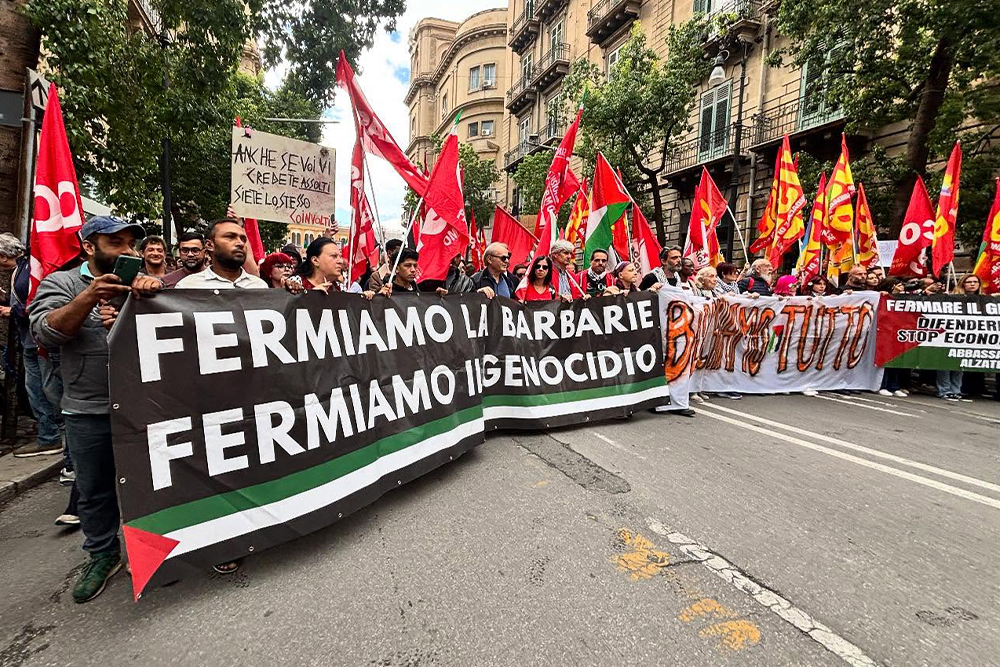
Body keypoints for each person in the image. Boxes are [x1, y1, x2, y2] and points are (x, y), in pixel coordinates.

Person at [28, 215, 162, 603]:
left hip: (143, 406)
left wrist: (152, 296)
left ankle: (150, 550)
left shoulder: (140, 285)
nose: (127, 251)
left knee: (150, 485)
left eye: (130, 244)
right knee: (94, 489)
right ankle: (103, 554)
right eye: (115, 243)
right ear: (89, 247)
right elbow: (45, 332)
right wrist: (89, 297)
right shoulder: (62, 283)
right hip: (88, 408)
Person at [0, 234, 63, 461]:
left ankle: (58, 435)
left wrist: (13, 311)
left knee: (48, 389)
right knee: (36, 389)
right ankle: (49, 434)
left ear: (3, 256)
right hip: (29, 340)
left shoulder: (29, 269)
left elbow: (38, 302)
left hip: (39, 340)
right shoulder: (21, 269)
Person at [176, 220, 268, 289]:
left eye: (243, 239)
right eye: (230, 237)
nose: (240, 243)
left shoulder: (259, 286)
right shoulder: (188, 287)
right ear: (209, 245)